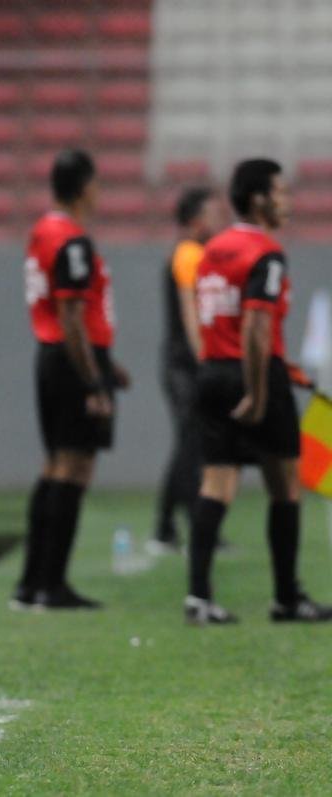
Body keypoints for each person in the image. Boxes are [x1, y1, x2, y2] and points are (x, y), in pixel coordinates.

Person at [186, 158, 332, 624]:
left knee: (217, 483)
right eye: (281, 192)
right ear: (258, 199)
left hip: (211, 371)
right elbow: (254, 325)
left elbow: (221, 321)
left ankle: (198, 598)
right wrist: (257, 387)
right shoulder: (265, 253)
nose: (288, 201)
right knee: (286, 485)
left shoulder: (212, 249)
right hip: (252, 374)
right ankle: (287, 598)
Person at [12, 148, 129, 612]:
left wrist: (108, 364)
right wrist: (95, 380)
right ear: (84, 187)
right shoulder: (73, 241)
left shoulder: (43, 231)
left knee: (56, 465)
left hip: (54, 357)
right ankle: (52, 585)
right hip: (72, 360)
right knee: (73, 467)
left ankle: (31, 583)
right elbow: (72, 317)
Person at [152, 187, 222, 553]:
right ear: (195, 220)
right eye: (213, 213)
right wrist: (205, 361)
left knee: (191, 446)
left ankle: (176, 526)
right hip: (185, 367)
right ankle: (176, 526)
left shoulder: (192, 254)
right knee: (191, 447)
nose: (219, 219)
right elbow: (191, 314)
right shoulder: (189, 255)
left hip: (183, 365)